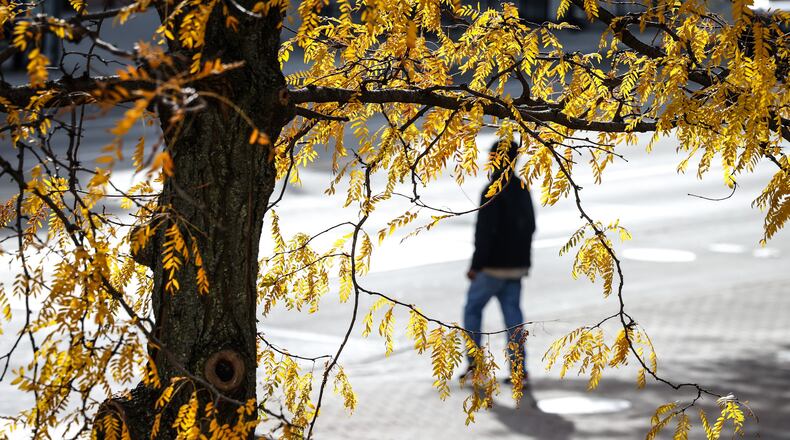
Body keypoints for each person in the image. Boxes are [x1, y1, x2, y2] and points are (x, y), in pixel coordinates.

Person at [463, 140, 536, 400]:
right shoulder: (522, 187)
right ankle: (519, 371)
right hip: (515, 268)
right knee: (513, 320)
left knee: (472, 311)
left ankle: (476, 367)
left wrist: (475, 266)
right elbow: (530, 227)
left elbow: (485, 233)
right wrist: (524, 263)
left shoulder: (492, 189)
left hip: (491, 268)